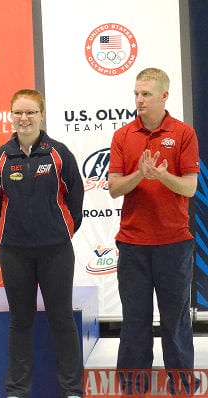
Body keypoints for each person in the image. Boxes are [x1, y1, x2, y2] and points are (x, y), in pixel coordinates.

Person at [0, 89, 84, 398]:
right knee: (21, 319)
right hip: (15, 252)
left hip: (55, 250)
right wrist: (8, 236)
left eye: (30, 112)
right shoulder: (0, 158)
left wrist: (61, 230)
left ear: (41, 115)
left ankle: (72, 389)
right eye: (18, 113)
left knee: (62, 318)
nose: (24, 118)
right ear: (10, 115)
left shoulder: (58, 154)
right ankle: (16, 390)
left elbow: (75, 198)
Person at [108, 68, 199, 394]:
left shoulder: (184, 134)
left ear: (164, 96)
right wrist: (140, 174)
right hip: (133, 244)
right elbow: (115, 188)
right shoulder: (123, 136)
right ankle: (133, 388)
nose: (139, 100)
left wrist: (161, 176)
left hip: (174, 244)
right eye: (136, 94)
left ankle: (181, 387)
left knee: (175, 321)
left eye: (145, 94)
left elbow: (189, 188)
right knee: (135, 320)